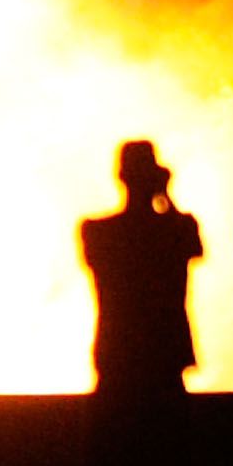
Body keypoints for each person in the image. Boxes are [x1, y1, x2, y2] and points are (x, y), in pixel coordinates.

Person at [80, 141, 205, 396]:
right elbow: (191, 244)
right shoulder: (175, 229)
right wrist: (164, 195)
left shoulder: (97, 231)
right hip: (163, 354)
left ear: (121, 177)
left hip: (118, 352)